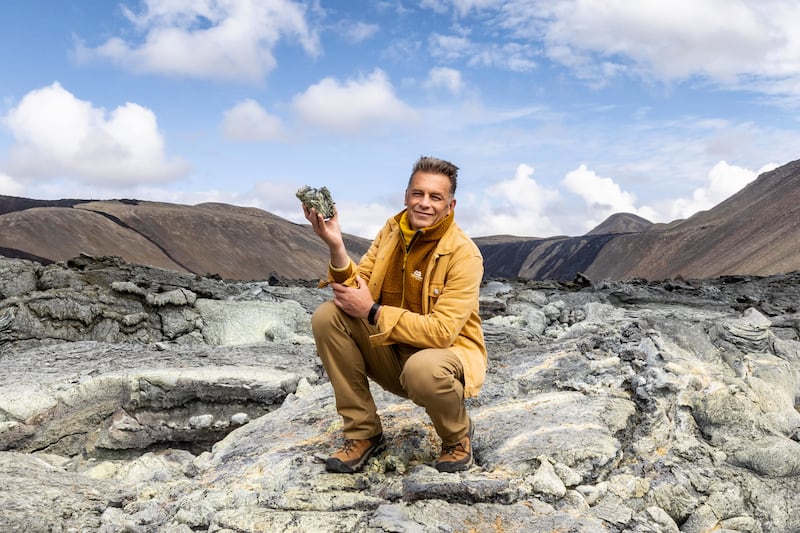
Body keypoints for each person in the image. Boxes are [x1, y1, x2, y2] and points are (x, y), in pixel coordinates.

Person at [303, 155, 487, 474]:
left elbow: (442, 332)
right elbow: (357, 289)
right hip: (392, 354)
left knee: (423, 369)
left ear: (450, 205)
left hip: (439, 362)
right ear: (406, 195)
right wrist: (335, 245)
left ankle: (457, 438)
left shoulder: (464, 254)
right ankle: (364, 434)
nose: (424, 203)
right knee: (328, 316)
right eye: (418, 193)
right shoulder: (392, 230)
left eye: (435, 197)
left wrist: (373, 311)